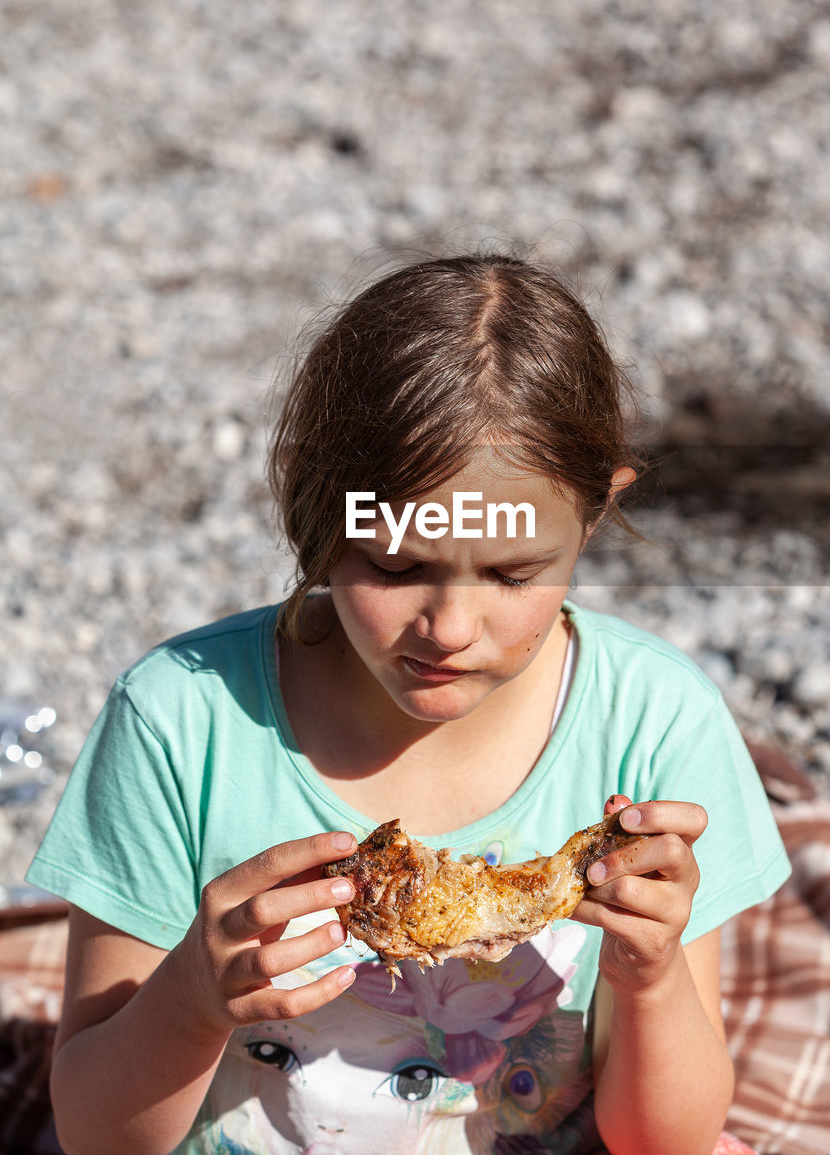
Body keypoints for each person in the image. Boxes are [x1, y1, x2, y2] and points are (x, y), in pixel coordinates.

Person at [27, 254, 790, 1155]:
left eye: (512, 572)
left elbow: (665, 1142)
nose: (450, 626)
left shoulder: (654, 724)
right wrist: (193, 997)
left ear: (591, 515)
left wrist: (652, 980)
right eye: (394, 567)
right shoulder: (181, 721)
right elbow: (94, 1135)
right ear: (320, 511)